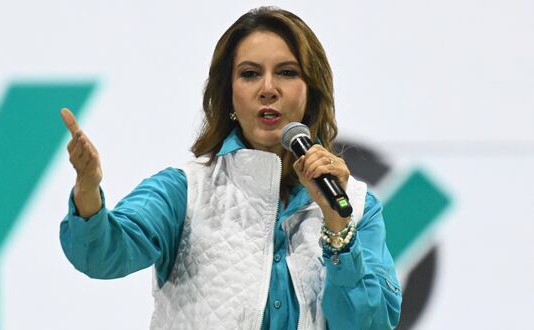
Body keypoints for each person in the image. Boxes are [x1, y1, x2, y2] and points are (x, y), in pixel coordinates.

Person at [59, 6, 402, 330]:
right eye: (250, 74)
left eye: (287, 72)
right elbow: (102, 254)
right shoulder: (184, 191)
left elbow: (371, 323)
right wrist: (88, 189)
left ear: (311, 92)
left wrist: (337, 225)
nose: (268, 89)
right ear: (230, 95)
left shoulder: (354, 206)